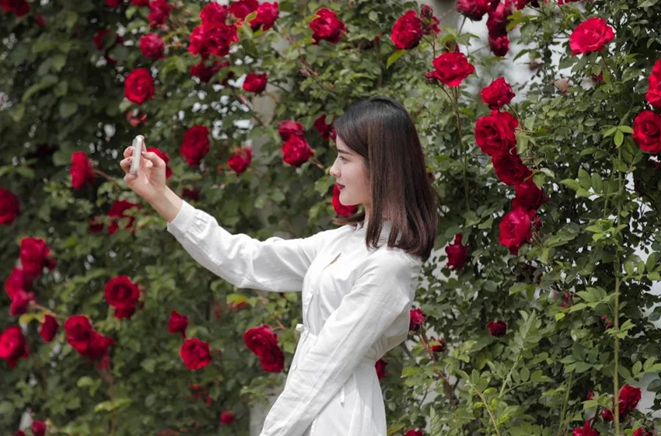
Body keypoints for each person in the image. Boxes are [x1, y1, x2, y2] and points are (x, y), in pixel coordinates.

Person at [119, 96, 438, 436]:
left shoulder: (390, 264)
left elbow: (326, 365)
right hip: (308, 408)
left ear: (381, 166)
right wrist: (160, 195)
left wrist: (273, 431)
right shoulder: (343, 242)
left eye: (344, 158)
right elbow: (246, 260)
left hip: (338, 417)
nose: (333, 169)